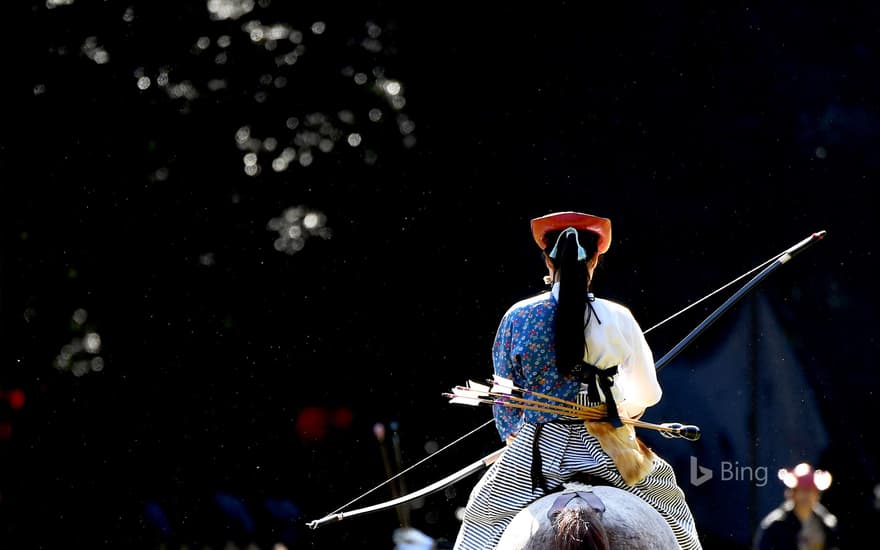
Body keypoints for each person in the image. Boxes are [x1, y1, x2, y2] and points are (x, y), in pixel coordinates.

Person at [453, 211, 701, 550]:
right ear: (595, 260)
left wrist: (513, 437)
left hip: (536, 454)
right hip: (610, 449)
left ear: (547, 259)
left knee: (480, 521)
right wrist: (617, 410)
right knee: (675, 514)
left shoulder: (518, 317)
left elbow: (504, 400)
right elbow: (647, 394)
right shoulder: (618, 316)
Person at [752, 462, 840, 550]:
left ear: (817, 494)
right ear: (792, 493)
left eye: (811, 490)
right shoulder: (775, 527)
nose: (807, 496)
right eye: (803, 490)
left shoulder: (826, 525)